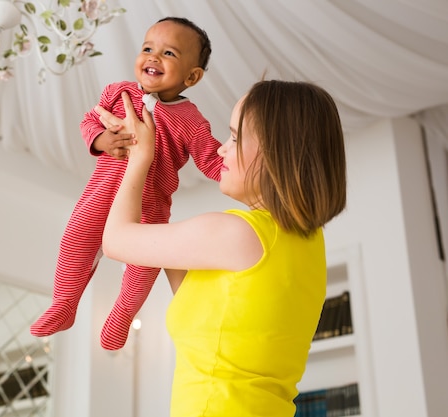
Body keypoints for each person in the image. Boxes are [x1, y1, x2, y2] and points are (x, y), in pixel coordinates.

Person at [98, 80, 347, 416]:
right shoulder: (307, 245)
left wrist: (140, 156)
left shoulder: (237, 234)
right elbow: (207, 307)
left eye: (234, 136)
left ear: (276, 149)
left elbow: (115, 240)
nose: (220, 150)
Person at [31, 17, 223, 350]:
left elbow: (212, 161)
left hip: (151, 205)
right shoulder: (118, 92)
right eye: (148, 48)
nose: (153, 57)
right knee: (75, 240)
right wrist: (101, 139)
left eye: (168, 53)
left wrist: (247, 169)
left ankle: (122, 314)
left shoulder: (191, 121)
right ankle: (64, 303)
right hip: (101, 193)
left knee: (144, 265)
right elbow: (89, 120)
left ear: (192, 76)